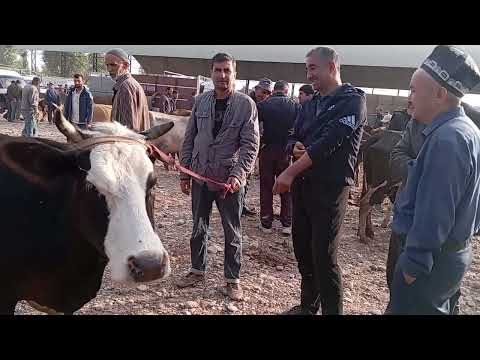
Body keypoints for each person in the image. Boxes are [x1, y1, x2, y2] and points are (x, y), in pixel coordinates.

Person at [273, 47, 367, 315]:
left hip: (330, 188)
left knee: (324, 257)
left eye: (313, 68)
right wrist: (294, 147)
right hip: (304, 186)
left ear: (332, 67)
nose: (309, 74)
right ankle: (308, 306)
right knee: (303, 250)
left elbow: (329, 142)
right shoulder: (310, 103)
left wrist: (289, 171)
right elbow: (293, 134)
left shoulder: (352, 101)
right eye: (307, 69)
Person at [390, 45, 480, 315]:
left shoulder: (447, 140)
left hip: (428, 266)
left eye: (414, 90)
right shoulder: (466, 131)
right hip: (449, 257)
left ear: (440, 94)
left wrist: (413, 266)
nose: (409, 98)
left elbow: (435, 212)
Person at [176, 53, 259, 301]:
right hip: (200, 177)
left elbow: (250, 145)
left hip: (228, 183)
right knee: (198, 227)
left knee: (232, 231)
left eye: (227, 71)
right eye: (218, 71)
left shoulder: (246, 105)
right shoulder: (200, 102)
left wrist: (238, 175)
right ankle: (196, 270)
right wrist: (184, 172)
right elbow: (189, 138)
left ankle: (232, 280)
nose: (222, 76)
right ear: (211, 73)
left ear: (234, 73)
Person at [257, 80, 300, 235]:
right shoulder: (295, 106)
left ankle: (266, 222)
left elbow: (255, 128)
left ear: (274, 90)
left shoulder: (263, 105)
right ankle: (287, 223)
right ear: (287, 91)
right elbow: (300, 129)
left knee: (266, 186)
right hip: (286, 152)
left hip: (267, 150)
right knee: (287, 187)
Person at [104, 48, 150, 131]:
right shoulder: (131, 83)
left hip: (127, 142)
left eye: (113, 65)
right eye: (107, 65)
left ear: (125, 65)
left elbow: (128, 129)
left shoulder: (125, 87)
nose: (109, 69)